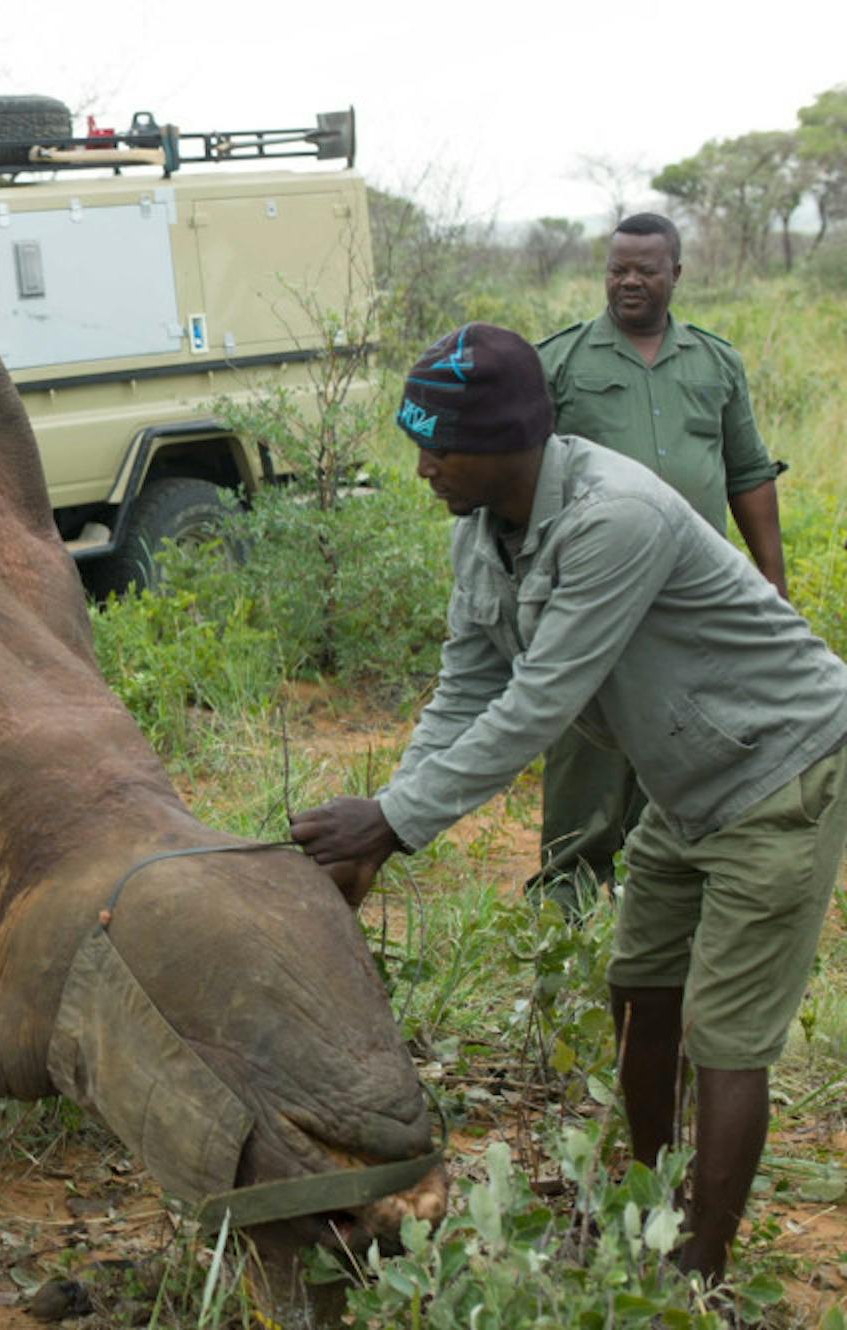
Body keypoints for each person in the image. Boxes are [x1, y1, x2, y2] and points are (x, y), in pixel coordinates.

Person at [290, 323, 847, 1290]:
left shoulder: (613, 517)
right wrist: (389, 815)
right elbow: (466, 684)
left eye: (439, 446)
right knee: (640, 989)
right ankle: (648, 1202)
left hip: (778, 769)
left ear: (508, 442)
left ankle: (698, 1270)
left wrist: (393, 821)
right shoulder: (481, 532)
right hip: (686, 781)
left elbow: (538, 701)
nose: (422, 467)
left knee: (726, 1034)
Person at [529, 213, 787, 912]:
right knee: (589, 743)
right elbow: (525, 478)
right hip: (596, 588)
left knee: (684, 733)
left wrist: (771, 580)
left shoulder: (714, 361)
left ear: (677, 273)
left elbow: (748, 472)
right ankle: (568, 898)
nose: (629, 281)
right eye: (618, 269)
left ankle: (660, 890)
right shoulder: (561, 362)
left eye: (646, 268)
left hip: (694, 596)